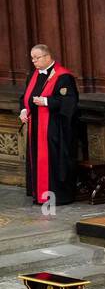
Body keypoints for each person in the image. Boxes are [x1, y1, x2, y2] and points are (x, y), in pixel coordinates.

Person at [20, 44, 79, 206]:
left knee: (53, 160)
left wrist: (46, 101)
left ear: (47, 57)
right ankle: (38, 194)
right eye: (32, 58)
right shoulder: (33, 75)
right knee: (37, 158)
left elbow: (70, 102)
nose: (34, 61)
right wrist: (24, 110)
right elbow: (24, 97)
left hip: (55, 128)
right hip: (35, 126)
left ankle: (56, 196)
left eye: (37, 58)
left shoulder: (63, 77)